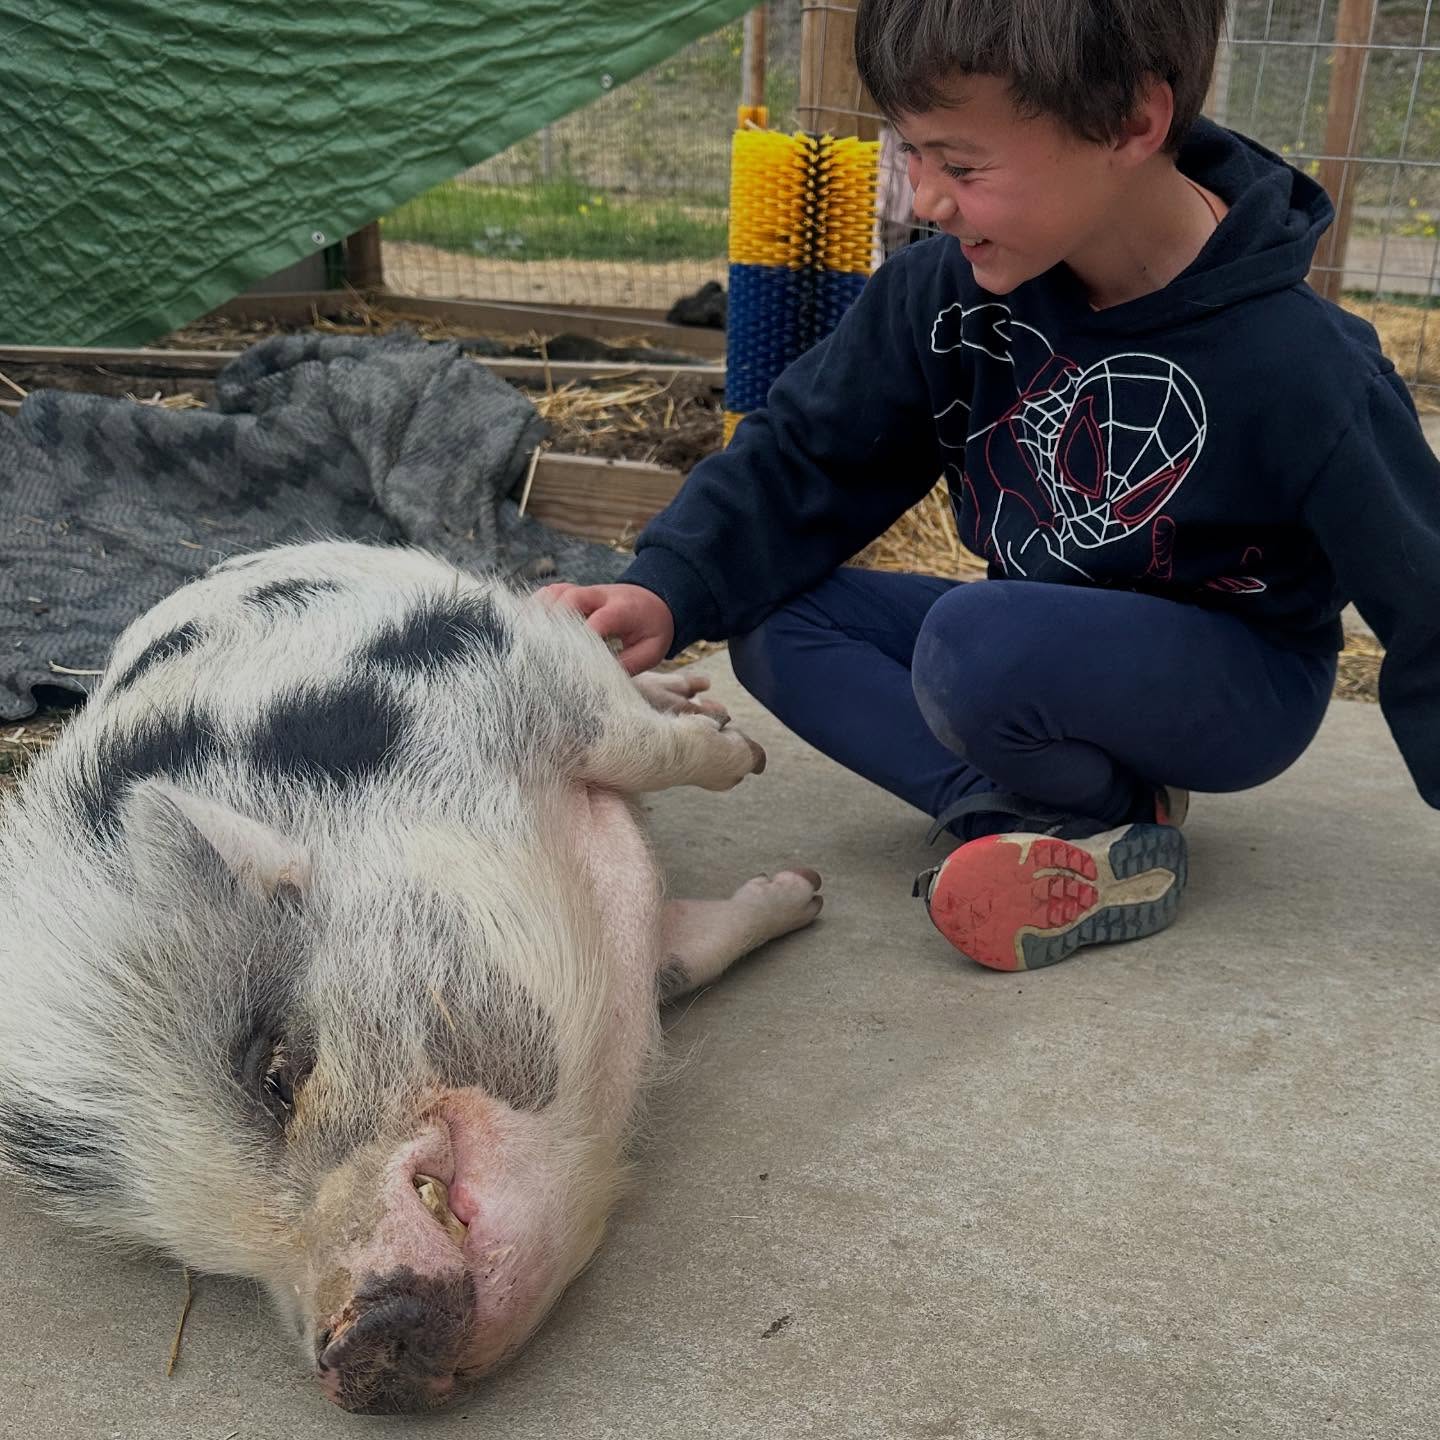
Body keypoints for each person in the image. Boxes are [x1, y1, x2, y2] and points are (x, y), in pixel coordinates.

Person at [544, 0, 1440, 974]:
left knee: (971, 647)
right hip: (1037, 636)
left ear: (1134, 123)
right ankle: (1050, 822)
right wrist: (668, 587)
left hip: (1238, 681)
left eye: (962, 166)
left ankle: (1107, 807)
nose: (925, 199)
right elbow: (808, 453)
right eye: (912, 155)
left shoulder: (1305, 365)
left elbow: (1425, 592)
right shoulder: (947, 294)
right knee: (778, 615)